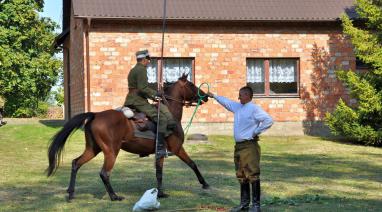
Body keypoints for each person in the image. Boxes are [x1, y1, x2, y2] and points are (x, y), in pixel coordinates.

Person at [208, 86, 273, 212]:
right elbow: (227, 102)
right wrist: (214, 96)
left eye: (241, 95)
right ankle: (244, 204)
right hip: (238, 147)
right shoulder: (238, 107)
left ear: (248, 95)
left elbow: (268, 120)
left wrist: (256, 132)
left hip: (249, 146)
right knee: (241, 174)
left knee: (252, 174)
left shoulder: (254, 108)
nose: (238, 97)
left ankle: (256, 205)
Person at [124, 49, 176, 158]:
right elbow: (143, 88)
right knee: (161, 118)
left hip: (131, 99)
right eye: (148, 59)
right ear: (143, 59)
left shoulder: (133, 70)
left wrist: (153, 95)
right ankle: (160, 148)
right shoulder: (141, 70)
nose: (149, 62)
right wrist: (156, 94)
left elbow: (138, 88)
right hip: (138, 101)